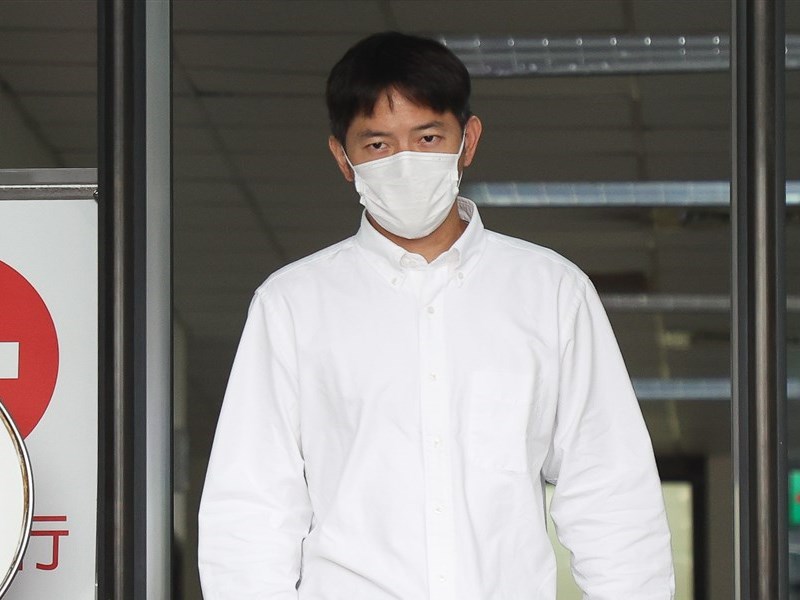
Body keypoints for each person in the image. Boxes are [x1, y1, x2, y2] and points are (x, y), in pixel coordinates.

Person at [198, 31, 675, 599]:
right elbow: (250, 510)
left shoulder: (551, 293)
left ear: (467, 140)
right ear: (343, 157)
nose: (405, 163)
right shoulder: (292, 306)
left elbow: (611, 494)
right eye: (378, 144)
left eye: (428, 138)